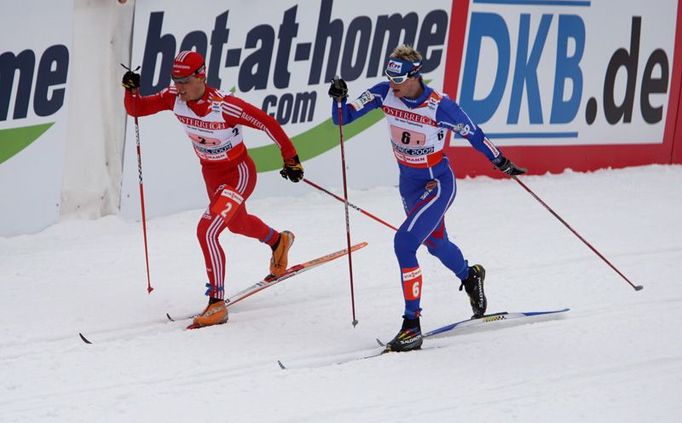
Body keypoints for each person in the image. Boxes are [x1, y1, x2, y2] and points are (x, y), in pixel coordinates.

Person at [328, 44, 526, 351]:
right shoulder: (384, 92)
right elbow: (343, 118)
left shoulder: (440, 106)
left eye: (399, 79)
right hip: (409, 183)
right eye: (390, 79)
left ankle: (412, 325)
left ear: (415, 75)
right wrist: (339, 99)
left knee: (404, 243)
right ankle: (470, 275)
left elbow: (473, 133)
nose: (394, 85)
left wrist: (500, 160)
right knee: (434, 244)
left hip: (437, 183)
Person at [121, 50, 304, 328]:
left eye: (184, 81)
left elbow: (267, 123)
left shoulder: (226, 106)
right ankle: (278, 241)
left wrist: (291, 159)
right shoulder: (173, 97)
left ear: (200, 76)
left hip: (238, 174)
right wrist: (131, 91)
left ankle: (216, 302)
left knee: (206, 230)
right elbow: (137, 109)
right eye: (175, 80)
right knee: (238, 224)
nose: (179, 87)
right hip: (211, 175)